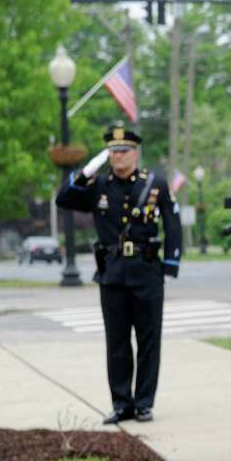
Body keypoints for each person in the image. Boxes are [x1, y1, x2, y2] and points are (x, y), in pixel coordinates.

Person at [55, 122, 182, 424]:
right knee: (117, 342)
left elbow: (172, 224)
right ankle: (122, 403)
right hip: (112, 273)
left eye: (123, 151)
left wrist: (171, 265)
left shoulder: (155, 184)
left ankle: (144, 403)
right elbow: (64, 200)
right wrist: (87, 171)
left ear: (135, 153)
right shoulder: (99, 186)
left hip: (147, 270)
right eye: (112, 152)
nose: (118, 157)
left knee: (149, 340)